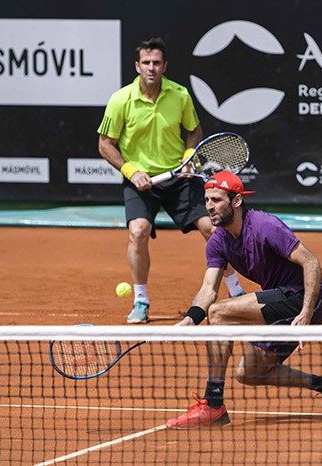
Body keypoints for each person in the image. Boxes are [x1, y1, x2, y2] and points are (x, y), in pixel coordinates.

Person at [166, 171, 322, 430]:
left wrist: (305, 312)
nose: (209, 206)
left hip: (308, 297)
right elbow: (208, 289)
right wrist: (190, 319)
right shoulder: (218, 241)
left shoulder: (265, 226)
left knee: (220, 313)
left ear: (236, 201)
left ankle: (213, 404)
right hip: (279, 301)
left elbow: (312, 263)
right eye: (207, 200)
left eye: (216, 200)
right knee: (249, 373)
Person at [97, 37, 244, 324]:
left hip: (178, 178)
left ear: (164, 66)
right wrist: (131, 171)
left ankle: (236, 290)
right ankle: (141, 300)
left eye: (156, 63)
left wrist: (189, 156)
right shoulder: (120, 100)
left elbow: (194, 130)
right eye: (146, 63)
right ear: (137, 66)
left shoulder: (180, 95)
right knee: (138, 231)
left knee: (211, 229)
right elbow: (105, 144)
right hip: (140, 180)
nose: (151, 68)